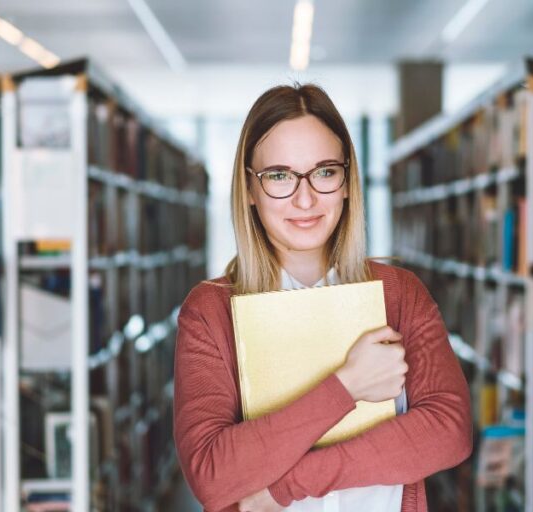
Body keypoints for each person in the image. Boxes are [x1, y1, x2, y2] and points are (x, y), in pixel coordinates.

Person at [173, 83, 472, 512]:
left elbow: (448, 431)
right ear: (250, 190)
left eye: (325, 171)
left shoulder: (399, 294)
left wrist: (287, 485)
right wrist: (348, 385)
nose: (305, 197)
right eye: (279, 175)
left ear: (347, 180)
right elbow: (211, 472)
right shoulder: (211, 310)